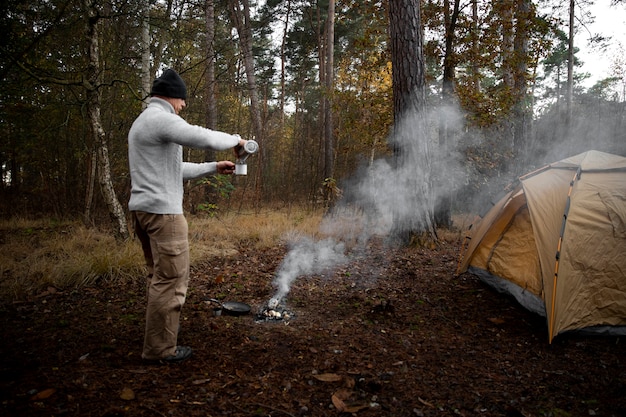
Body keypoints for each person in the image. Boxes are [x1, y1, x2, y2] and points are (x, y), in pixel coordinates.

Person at [128, 68, 248, 363]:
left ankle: (157, 338)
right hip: (163, 215)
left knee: (159, 278)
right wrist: (236, 140)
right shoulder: (160, 119)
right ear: (173, 97)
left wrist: (211, 167)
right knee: (171, 281)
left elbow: (174, 170)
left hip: (145, 212)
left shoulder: (145, 122)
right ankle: (159, 350)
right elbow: (201, 136)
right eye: (182, 102)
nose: (183, 107)